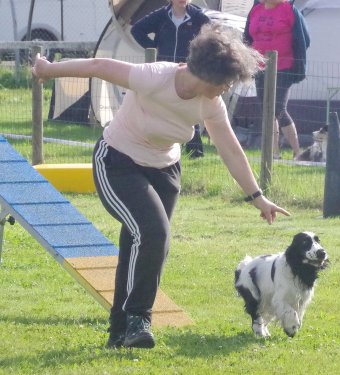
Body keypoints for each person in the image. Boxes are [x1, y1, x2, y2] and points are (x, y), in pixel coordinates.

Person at [32, 22, 290, 349]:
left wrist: (258, 196)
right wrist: (49, 68)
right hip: (117, 162)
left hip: (164, 171)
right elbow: (98, 66)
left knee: (141, 244)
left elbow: (229, 148)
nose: (227, 88)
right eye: (226, 81)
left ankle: (120, 333)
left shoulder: (210, 103)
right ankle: (140, 316)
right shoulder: (155, 76)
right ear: (207, 74)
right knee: (154, 233)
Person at [131, 0, 211, 158]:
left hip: (189, 70)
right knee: (164, 106)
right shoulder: (161, 15)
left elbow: (210, 38)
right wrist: (153, 46)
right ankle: (165, 146)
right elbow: (137, 30)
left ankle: (195, 151)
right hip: (165, 69)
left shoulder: (199, 17)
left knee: (189, 107)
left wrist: (197, 58)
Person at [243, 0, 310, 160]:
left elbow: (304, 39)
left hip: (283, 66)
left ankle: (297, 152)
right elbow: (247, 37)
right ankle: (274, 153)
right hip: (259, 66)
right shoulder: (255, 10)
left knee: (278, 107)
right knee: (267, 110)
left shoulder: (290, 11)